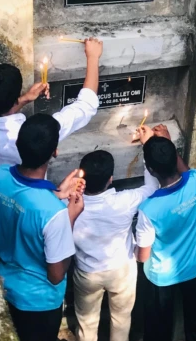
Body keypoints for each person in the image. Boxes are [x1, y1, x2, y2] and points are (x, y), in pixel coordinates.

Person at [0, 38, 103, 245]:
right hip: (20, 222)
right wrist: (93, 57)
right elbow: (85, 106)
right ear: (53, 151)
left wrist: (23, 99)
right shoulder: (32, 134)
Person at [0, 113, 86, 341]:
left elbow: (9, 212)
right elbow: (56, 275)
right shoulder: (56, 214)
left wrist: (55, 194)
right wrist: (70, 218)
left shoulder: (0, 176)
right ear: (55, 152)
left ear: (18, 144)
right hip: (39, 302)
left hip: (4, 285)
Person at [71, 146, 160, 341]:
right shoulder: (125, 201)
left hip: (87, 272)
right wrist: (148, 148)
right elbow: (153, 188)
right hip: (121, 270)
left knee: (86, 324)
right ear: (110, 179)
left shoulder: (68, 206)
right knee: (121, 320)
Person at [135, 124, 196, 341]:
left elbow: (143, 256)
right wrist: (166, 145)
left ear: (150, 171)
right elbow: (187, 172)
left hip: (162, 276)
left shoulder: (149, 209)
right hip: (195, 264)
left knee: (158, 328)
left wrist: (150, 148)